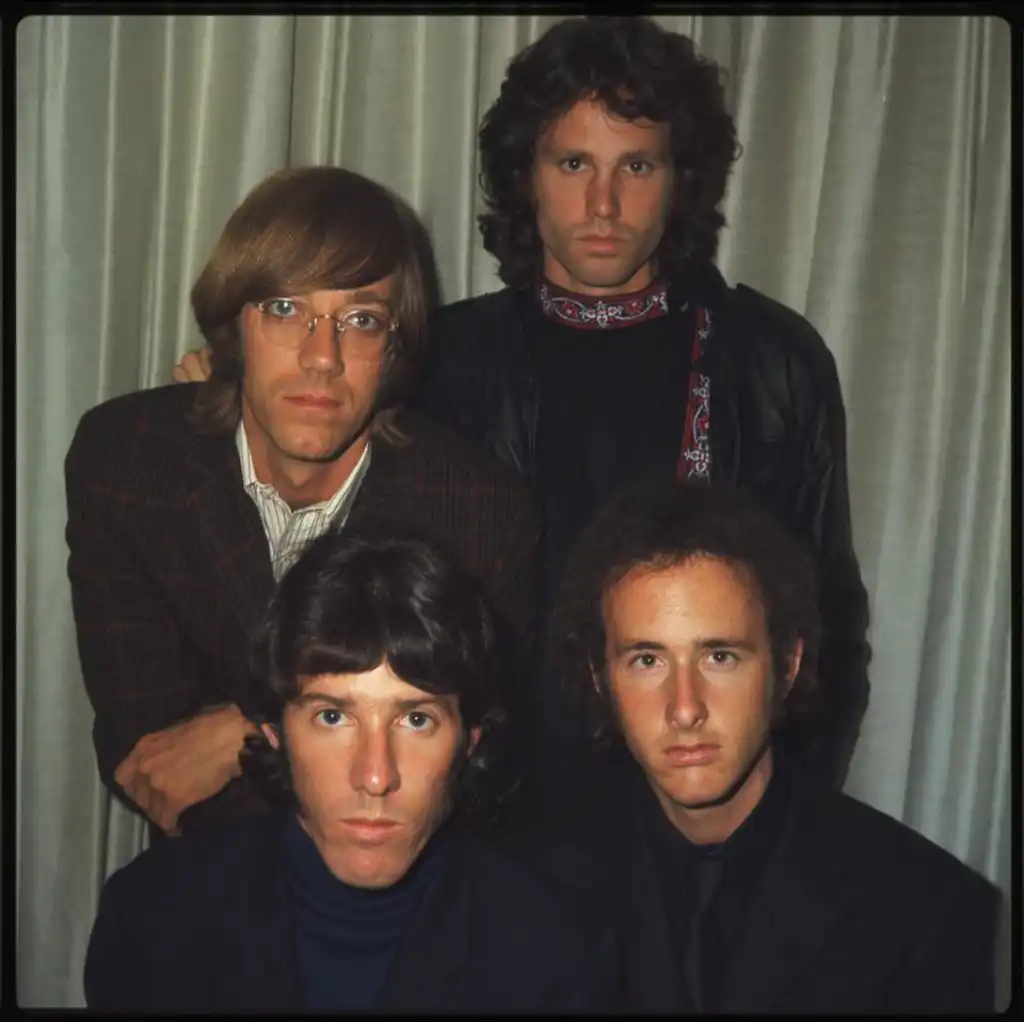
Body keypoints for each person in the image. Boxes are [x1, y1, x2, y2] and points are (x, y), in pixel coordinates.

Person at [174, 16, 870, 791]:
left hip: (700, 795)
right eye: (573, 162)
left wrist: (787, 817)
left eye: (637, 165)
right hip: (487, 800)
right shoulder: (438, 355)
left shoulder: (769, 360)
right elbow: (329, 547)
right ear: (525, 174)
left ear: (680, 180)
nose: (603, 202)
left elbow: (828, 621)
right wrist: (237, 394)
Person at [66, 166, 541, 841]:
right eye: (286, 310)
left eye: (361, 320)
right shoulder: (129, 460)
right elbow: (154, 762)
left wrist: (244, 731)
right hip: (210, 863)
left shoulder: (478, 514)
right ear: (234, 325)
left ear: (394, 350)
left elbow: (469, 769)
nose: (323, 357)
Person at [498, 478, 999, 1013]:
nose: (685, 708)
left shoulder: (927, 910)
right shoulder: (523, 884)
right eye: (647, 660)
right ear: (601, 678)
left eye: (720, 657)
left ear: (787, 665)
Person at [83, 530, 618, 1012]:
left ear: (468, 743)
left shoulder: (558, 954)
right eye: (333, 717)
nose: (375, 776)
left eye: (416, 720)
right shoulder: (151, 919)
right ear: (275, 733)